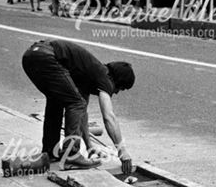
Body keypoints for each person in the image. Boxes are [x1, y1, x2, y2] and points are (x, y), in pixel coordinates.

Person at [20, 39, 135, 172]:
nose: (116, 92)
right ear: (117, 81)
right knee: (75, 103)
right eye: (120, 89)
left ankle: (51, 152)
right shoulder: (105, 78)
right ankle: (71, 155)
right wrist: (122, 150)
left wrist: (89, 146)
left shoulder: (87, 74)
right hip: (47, 56)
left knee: (57, 101)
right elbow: (109, 117)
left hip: (32, 55)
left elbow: (82, 115)